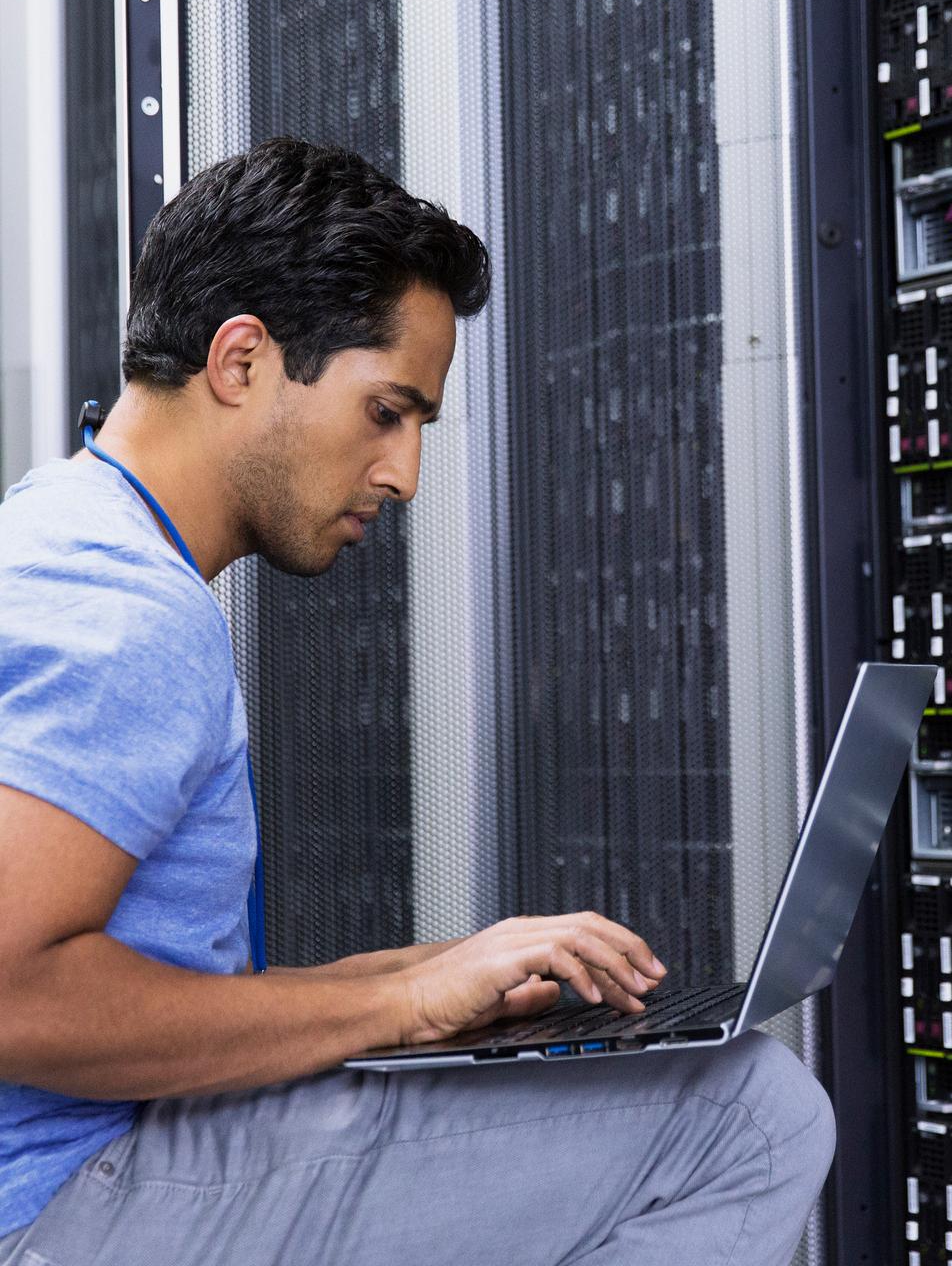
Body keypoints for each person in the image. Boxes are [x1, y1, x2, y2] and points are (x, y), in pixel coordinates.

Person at [0, 137, 834, 1265]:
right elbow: (18, 997)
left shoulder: (59, 532)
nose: (402, 473)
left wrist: (426, 975)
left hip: (88, 1162)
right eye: (388, 411)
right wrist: (403, 1012)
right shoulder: (124, 606)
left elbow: (137, 984)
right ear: (241, 361)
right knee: (745, 1111)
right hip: (61, 1205)